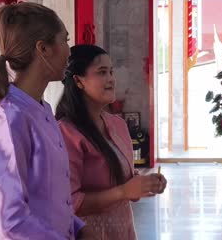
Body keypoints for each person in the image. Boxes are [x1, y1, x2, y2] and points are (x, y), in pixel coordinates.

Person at [0, 2, 89, 239]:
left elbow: (46, 200)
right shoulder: (8, 121)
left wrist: (78, 227)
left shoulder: (41, 110)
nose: (69, 51)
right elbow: (12, 221)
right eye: (65, 41)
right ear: (43, 49)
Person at [56, 44, 167, 239]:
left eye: (111, 71)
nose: (111, 79)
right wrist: (123, 191)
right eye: (102, 72)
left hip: (123, 230)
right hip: (90, 233)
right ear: (78, 81)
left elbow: (123, 178)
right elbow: (70, 202)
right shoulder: (66, 132)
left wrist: (143, 184)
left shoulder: (117, 124)